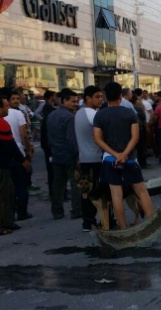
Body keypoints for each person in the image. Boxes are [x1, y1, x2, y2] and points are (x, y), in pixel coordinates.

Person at [93, 82, 154, 229]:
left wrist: (115, 154)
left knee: (116, 194)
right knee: (141, 191)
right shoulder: (129, 113)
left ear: (106, 96)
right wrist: (125, 154)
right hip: (130, 158)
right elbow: (135, 137)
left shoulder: (99, 115)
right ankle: (152, 222)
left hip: (109, 158)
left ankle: (122, 227)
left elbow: (97, 139)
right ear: (121, 95)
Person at [47, 88, 81, 220]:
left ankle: (57, 211)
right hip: (68, 155)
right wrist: (77, 155)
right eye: (73, 101)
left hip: (56, 154)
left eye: (76, 101)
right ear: (64, 101)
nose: (75, 104)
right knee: (75, 184)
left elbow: (48, 137)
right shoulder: (69, 117)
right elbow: (72, 139)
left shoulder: (51, 115)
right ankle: (76, 210)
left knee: (58, 185)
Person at [75, 85, 104, 231]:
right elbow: (102, 135)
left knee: (86, 192)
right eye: (97, 97)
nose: (101, 100)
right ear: (88, 98)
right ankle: (103, 221)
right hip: (96, 158)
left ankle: (88, 222)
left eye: (101, 96)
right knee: (99, 192)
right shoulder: (93, 114)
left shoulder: (79, 113)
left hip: (84, 158)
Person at [0, 95, 27, 235]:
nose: (7, 108)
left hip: (5, 165)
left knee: (8, 193)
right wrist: (23, 160)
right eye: (5, 106)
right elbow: (10, 145)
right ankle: (5, 223)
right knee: (5, 194)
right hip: (3, 167)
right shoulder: (2, 124)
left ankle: (7, 222)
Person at [5, 91, 32, 221]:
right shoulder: (18, 114)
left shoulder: (12, 114)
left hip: (6, 155)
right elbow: (24, 135)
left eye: (17, 98)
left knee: (9, 185)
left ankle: (10, 213)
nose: (16, 101)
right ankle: (22, 212)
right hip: (18, 152)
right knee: (21, 184)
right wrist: (27, 150)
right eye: (13, 98)